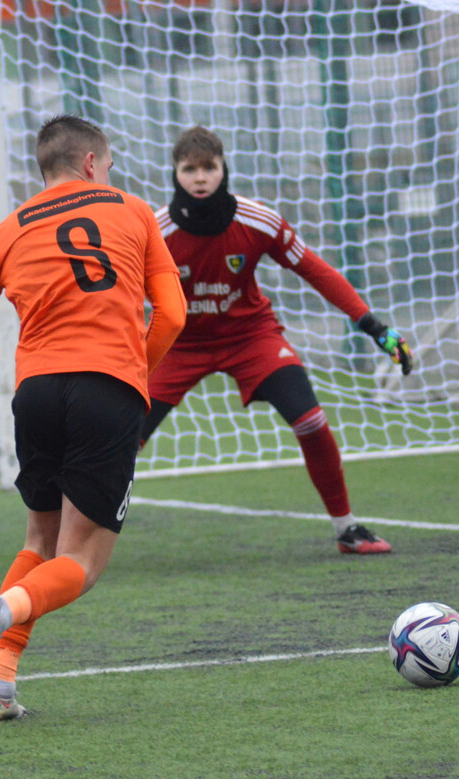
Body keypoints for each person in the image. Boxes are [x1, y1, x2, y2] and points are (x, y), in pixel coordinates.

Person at [0, 113, 186, 721]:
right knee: (80, 561)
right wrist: (135, 376)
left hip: (36, 393)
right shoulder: (134, 211)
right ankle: (1, 612)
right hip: (106, 386)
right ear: (89, 164)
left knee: (40, 540)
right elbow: (174, 315)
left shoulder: (9, 228)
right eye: (106, 165)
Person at [144, 126, 413, 555]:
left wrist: (375, 328)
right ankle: (71, 538)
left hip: (251, 337)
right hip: (178, 345)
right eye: (189, 168)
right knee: (119, 439)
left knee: (310, 420)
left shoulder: (258, 220)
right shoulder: (153, 232)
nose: (199, 178)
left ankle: (347, 528)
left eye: (208, 167)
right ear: (175, 173)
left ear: (223, 169)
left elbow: (316, 271)